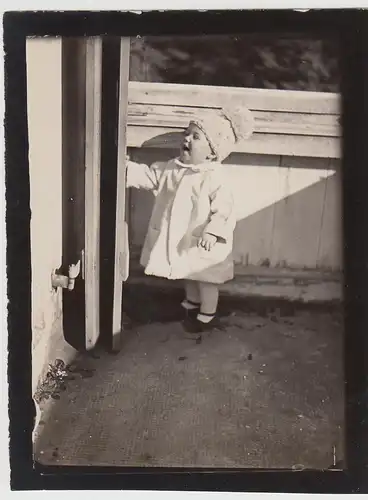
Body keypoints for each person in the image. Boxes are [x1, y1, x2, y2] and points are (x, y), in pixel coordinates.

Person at [126, 105, 254, 333]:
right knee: (188, 272)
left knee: (205, 278)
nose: (187, 139)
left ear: (212, 152)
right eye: (187, 133)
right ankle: (191, 306)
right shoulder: (172, 169)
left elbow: (224, 210)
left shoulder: (215, 177)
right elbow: (149, 176)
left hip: (204, 240)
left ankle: (207, 315)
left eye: (196, 137)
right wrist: (126, 168)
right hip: (183, 239)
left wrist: (212, 231)